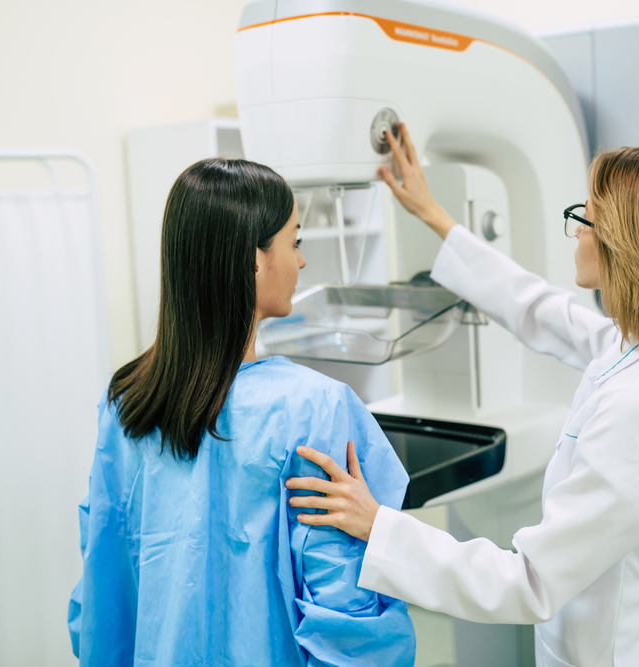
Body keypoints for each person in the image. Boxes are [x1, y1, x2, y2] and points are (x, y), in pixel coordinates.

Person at [286, 126, 639, 667]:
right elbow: (546, 312)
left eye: (586, 217)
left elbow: (528, 580)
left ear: (630, 247)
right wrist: (434, 215)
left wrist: (378, 524)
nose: (576, 231)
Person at [67, 158, 415, 667]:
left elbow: (103, 593)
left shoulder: (126, 402)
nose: (300, 262)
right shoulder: (314, 408)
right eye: (294, 242)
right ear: (255, 259)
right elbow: (345, 607)